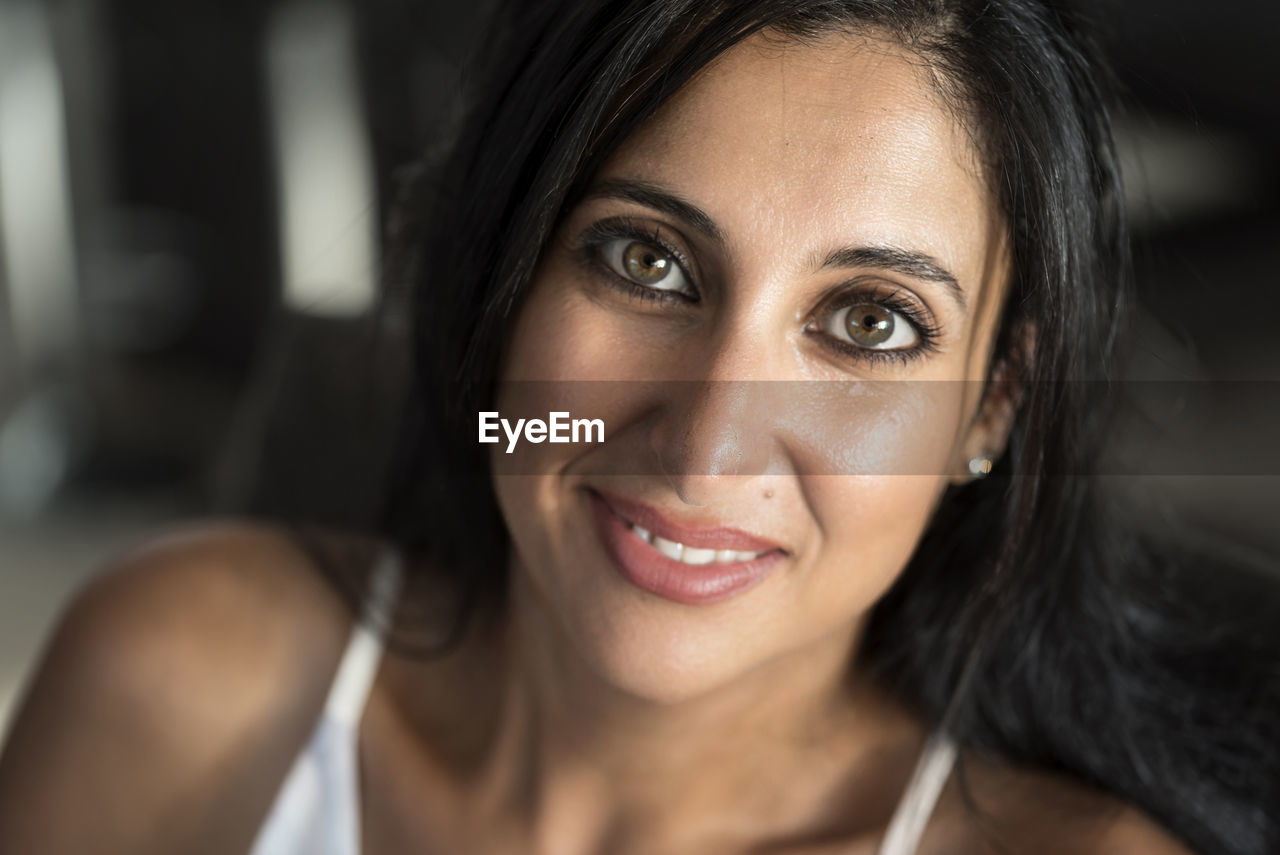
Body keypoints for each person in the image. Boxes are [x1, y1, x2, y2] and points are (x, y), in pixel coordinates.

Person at [1, 1, 1277, 853]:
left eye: (871, 325)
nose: (708, 440)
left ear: (987, 406)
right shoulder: (176, 682)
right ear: (501, 273)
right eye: (643, 262)